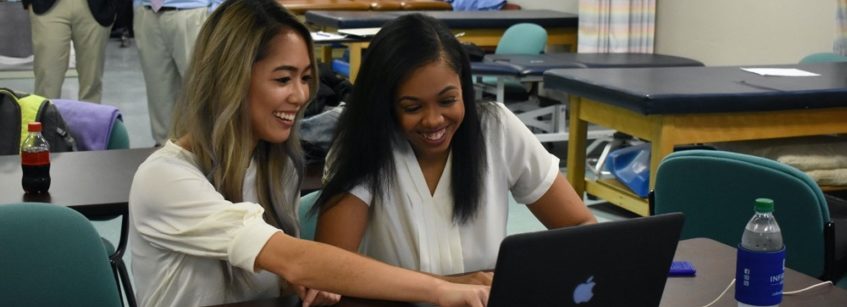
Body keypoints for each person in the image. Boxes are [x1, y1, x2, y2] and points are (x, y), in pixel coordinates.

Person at [128, 1, 489, 306]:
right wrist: (441, 288)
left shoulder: (278, 168)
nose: (301, 96)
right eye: (283, 79)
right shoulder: (166, 179)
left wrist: (300, 286)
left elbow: (280, 278)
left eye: (304, 78)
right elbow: (292, 259)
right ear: (230, 80)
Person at [313, 14, 597, 285]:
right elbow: (331, 270)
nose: (434, 120)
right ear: (383, 104)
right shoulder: (360, 142)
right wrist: (448, 287)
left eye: (448, 101)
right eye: (412, 107)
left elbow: (581, 226)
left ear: (464, 88)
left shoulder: (496, 128)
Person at [133, 0, 221, 145]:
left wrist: (217, 10)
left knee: (203, 93)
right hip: (148, 12)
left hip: (193, 13)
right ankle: (164, 152)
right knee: (158, 95)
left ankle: (210, 154)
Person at [23, 0, 116, 103]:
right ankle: (45, 117)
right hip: (48, 7)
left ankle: (90, 118)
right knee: (47, 78)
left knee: (92, 79)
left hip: (95, 7)